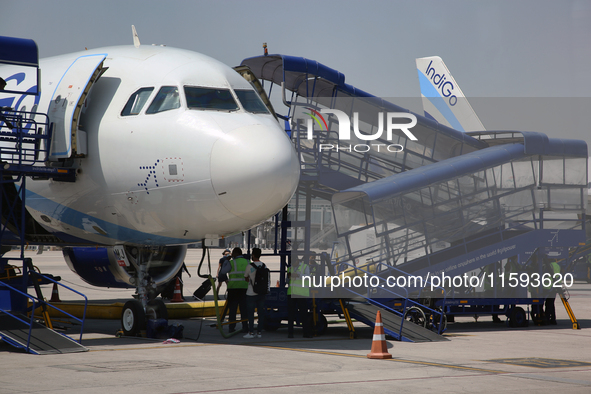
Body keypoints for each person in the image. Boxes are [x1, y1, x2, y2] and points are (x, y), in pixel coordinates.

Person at [219, 247, 249, 333]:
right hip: (244, 288)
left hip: (233, 289)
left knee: (233, 309)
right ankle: (245, 327)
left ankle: (231, 327)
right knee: (244, 309)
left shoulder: (231, 262)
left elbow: (223, 271)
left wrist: (226, 261)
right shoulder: (247, 262)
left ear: (235, 254)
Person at [243, 247, 266, 338]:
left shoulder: (249, 266)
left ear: (253, 255)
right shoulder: (264, 265)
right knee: (260, 313)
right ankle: (259, 332)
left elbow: (246, 278)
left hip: (251, 293)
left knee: (250, 313)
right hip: (261, 293)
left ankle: (251, 332)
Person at [287, 258, 312, 338]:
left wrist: (298, 275)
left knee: (303, 314)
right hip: (291, 293)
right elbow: (287, 280)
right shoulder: (290, 268)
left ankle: (306, 333)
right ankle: (290, 333)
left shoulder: (305, 267)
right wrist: (289, 276)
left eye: (294, 262)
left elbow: (308, 277)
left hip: (301, 293)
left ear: (297, 261)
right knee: (290, 314)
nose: (293, 265)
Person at [545, 259, 561, 325]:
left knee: (548, 304)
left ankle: (548, 319)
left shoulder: (549, 265)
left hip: (549, 287)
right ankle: (553, 319)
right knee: (551, 303)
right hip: (555, 287)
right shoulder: (557, 265)